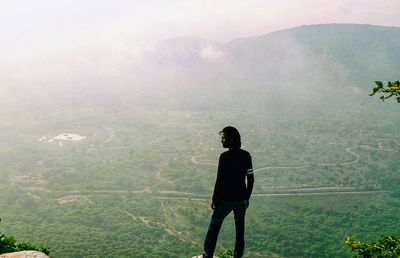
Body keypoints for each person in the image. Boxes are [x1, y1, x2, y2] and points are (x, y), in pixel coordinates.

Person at [198, 126, 254, 258]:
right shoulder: (246, 155)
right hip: (241, 200)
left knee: (214, 227)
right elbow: (251, 180)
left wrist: (214, 199)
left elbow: (220, 180)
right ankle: (237, 256)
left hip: (225, 200)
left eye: (224, 138)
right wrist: (247, 198)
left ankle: (207, 255)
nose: (222, 141)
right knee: (240, 231)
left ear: (231, 139)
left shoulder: (224, 157)